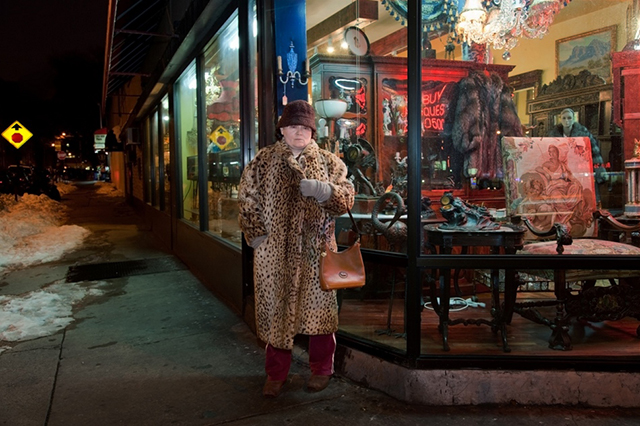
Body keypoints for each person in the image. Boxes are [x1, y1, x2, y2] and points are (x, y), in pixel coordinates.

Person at [237, 100, 355, 398]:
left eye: (304, 127)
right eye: (293, 126)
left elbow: (346, 199)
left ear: (313, 131)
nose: (299, 132)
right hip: (274, 256)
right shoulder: (263, 161)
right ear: (282, 130)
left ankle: (322, 370)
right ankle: (276, 374)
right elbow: (246, 198)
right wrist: (257, 236)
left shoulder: (330, 162)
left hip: (317, 254)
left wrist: (325, 191)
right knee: (276, 314)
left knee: (320, 317)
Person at [548, 108, 608, 187]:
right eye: (564, 118)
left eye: (569, 118)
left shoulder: (583, 133)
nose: (566, 121)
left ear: (573, 119)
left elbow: (595, 153)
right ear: (561, 120)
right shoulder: (553, 136)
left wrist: (600, 172)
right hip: (561, 173)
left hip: (580, 170)